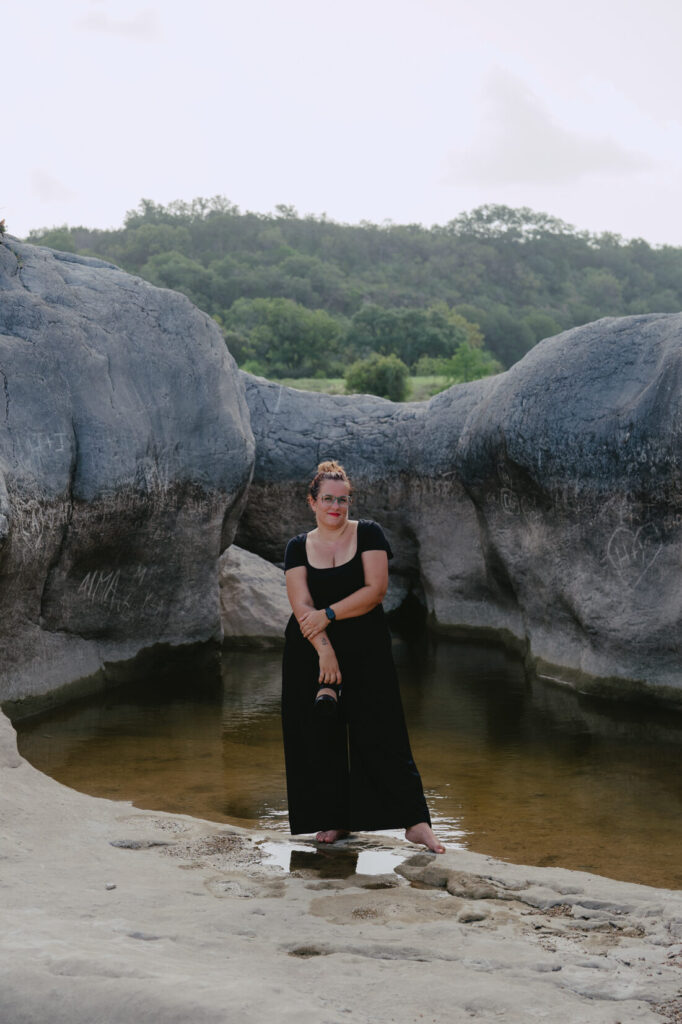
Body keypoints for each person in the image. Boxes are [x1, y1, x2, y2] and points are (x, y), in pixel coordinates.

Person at [281, 459, 445, 854]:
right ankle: (334, 818)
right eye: (327, 500)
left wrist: (329, 614)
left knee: (384, 730)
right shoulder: (297, 547)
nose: (336, 507)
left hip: (367, 645)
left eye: (343, 500)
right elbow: (301, 606)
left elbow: (375, 591)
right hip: (311, 649)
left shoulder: (369, 534)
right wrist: (325, 652)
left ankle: (416, 822)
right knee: (320, 734)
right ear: (312, 502)